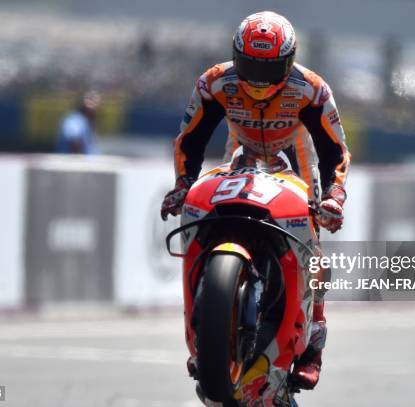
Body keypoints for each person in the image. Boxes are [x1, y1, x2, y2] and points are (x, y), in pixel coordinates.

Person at [160, 11, 351, 390]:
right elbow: (190, 139)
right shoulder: (214, 83)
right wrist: (183, 183)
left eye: (270, 68)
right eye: (250, 66)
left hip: (295, 158)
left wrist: (333, 196)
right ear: (235, 56)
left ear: (290, 61)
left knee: (312, 243)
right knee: (207, 212)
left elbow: (335, 151)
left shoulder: (312, 90)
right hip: (240, 152)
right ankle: (210, 329)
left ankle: (313, 343)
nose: (259, 80)